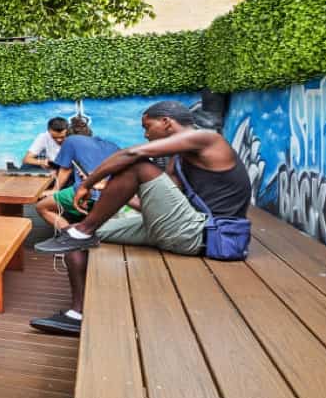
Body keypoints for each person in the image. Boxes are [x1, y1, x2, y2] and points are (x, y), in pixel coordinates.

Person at [29, 101, 252, 336]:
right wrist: (113, 192)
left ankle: (83, 230)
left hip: (205, 234)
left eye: (147, 127)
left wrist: (87, 184)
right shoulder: (177, 161)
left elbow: (132, 154)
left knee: (136, 164)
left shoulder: (209, 139)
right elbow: (156, 206)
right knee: (75, 236)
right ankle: (77, 315)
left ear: (166, 122)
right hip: (178, 230)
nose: (145, 134)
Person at [34, 117, 121, 232]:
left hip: (90, 193)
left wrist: (55, 190)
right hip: (114, 193)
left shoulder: (71, 140)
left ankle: (71, 235)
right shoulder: (112, 145)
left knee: (42, 207)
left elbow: (65, 170)